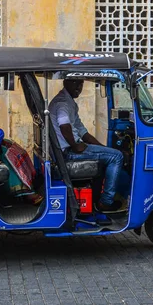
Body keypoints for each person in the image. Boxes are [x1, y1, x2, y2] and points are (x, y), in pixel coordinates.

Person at [49, 79, 124, 213]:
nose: (78, 87)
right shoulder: (62, 103)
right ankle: (105, 202)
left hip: (68, 149)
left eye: (81, 84)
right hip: (68, 152)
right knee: (117, 157)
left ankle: (95, 200)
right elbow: (64, 126)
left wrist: (104, 149)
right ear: (66, 82)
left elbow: (82, 132)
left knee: (111, 154)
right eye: (75, 83)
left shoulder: (70, 103)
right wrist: (75, 145)